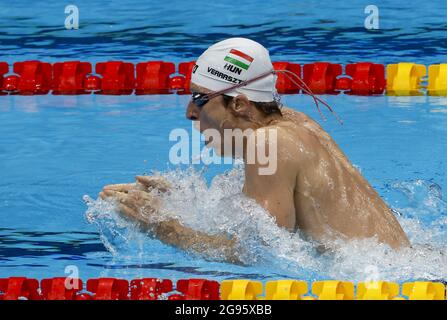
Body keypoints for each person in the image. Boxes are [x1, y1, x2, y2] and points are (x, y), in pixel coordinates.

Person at [99, 38, 409, 264]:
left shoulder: (269, 143)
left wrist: (163, 228)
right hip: (404, 268)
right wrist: (180, 203)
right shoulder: (292, 123)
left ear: (239, 104)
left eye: (200, 99)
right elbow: (267, 221)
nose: (189, 112)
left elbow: (261, 254)